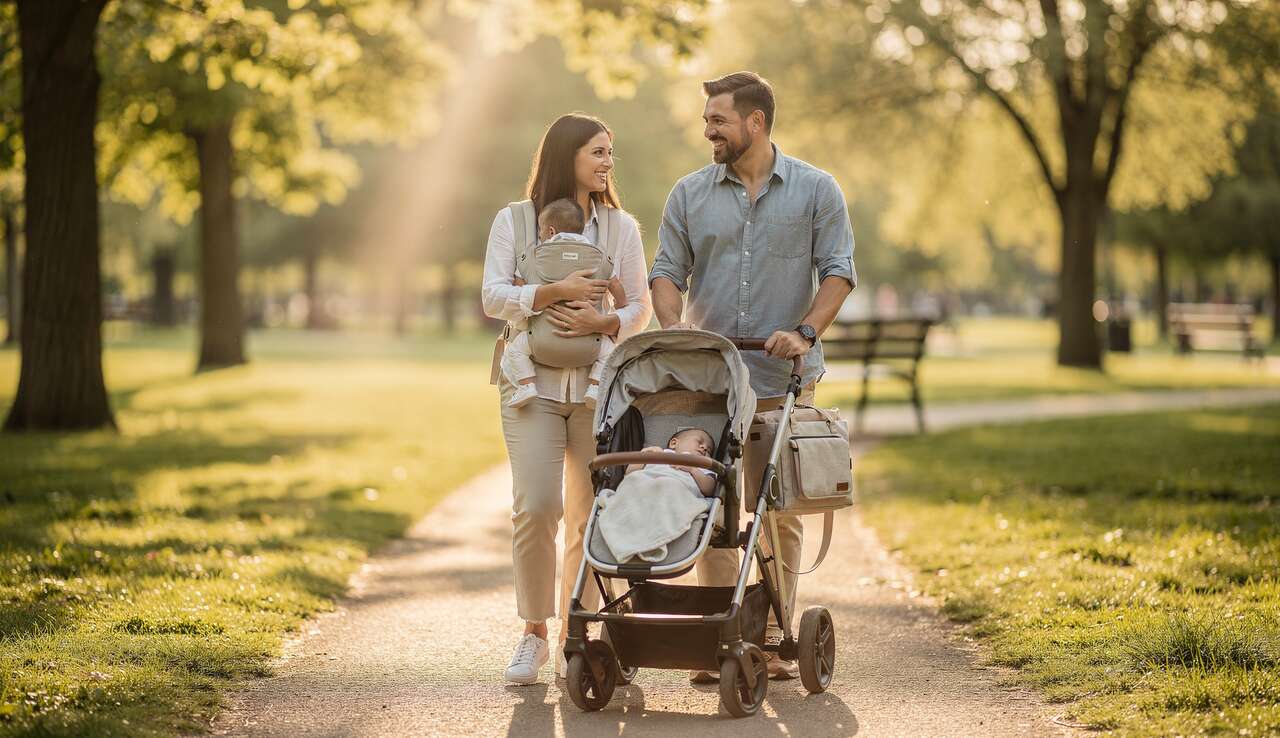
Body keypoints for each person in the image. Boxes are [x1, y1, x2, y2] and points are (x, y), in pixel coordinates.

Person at [648, 71, 856, 681]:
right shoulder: (688, 193)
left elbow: (838, 272)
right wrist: (673, 326)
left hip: (778, 377)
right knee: (708, 498)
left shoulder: (817, 190)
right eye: (707, 119)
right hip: (709, 380)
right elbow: (667, 271)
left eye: (717, 120)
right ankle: (722, 631)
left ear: (755, 122)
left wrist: (806, 332)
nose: (707, 129)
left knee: (777, 508)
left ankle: (772, 631)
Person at [481, 113, 652, 685]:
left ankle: (580, 631)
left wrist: (605, 321)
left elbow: (638, 308)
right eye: (598, 152)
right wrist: (556, 291)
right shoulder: (514, 220)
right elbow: (492, 296)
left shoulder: (622, 227)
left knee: (592, 511)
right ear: (565, 156)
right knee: (536, 506)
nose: (608, 162)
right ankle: (534, 631)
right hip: (532, 393)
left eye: (611, 153)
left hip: (599, 395)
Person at [501, 198, 629, 409]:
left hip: (540, 340)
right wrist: (622, 304)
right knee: (610, 353)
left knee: (515, 350)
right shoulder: (596, 254)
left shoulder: (539, 255)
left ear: (550, 231)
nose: (540, 235)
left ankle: (527, 385)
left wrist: (530, 289)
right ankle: (596, 387)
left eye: (540, 231)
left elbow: (519, 281)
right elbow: (614, 282)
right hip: (591, 342)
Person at [625, 427, 718, 497]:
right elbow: (630, 474)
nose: (705, 448)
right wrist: (643, 457)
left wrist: (692, 470)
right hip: (645, 487)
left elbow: (709, 489)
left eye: (709, 451)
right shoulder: (660, 453)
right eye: (700, 442)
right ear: (674, 443)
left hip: (677, 491)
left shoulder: (702, 468)